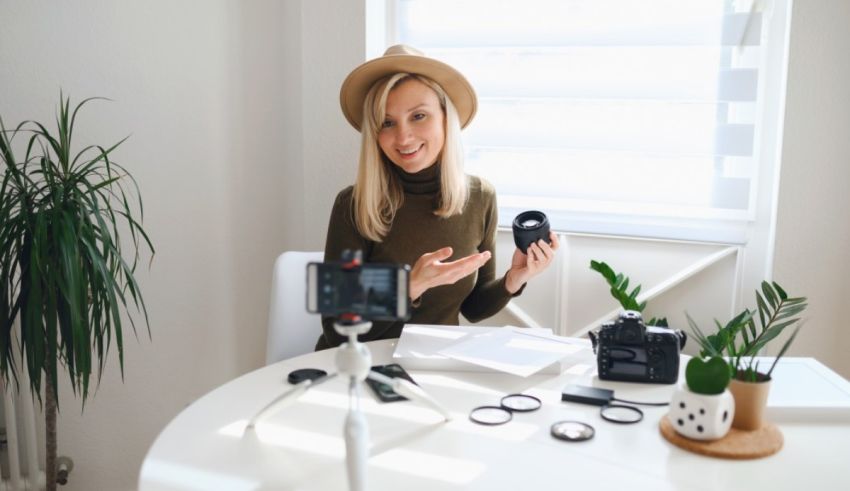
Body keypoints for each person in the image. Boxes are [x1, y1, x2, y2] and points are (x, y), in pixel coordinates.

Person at [316, 45, 559, 350]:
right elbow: (337, 330)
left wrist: (515, 278)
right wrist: (410, 287)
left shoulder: (479, 197)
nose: (403, 137)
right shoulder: (353, 204)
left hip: (434, 366)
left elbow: (473, 307)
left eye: (418, 116)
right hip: (359, 369)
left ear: (447, 119)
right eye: (387, 122)